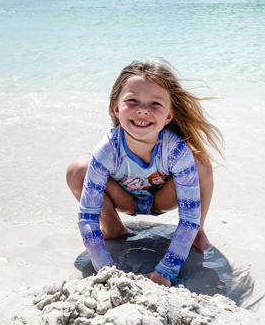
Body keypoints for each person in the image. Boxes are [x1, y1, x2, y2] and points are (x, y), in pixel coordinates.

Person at [66, 58, 223, 287]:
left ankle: (200, 231)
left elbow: (187, 218)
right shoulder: (107, 151)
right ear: (116, 107)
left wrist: (166, 271)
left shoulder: (176, 150)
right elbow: (87, 217)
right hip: (125, 198)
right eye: (132, 100)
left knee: (200, 162)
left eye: (155, 104)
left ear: (169, 115)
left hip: (163, 198)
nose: (142, 110)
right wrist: (106, 270)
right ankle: (113, 227)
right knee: (77, 170)